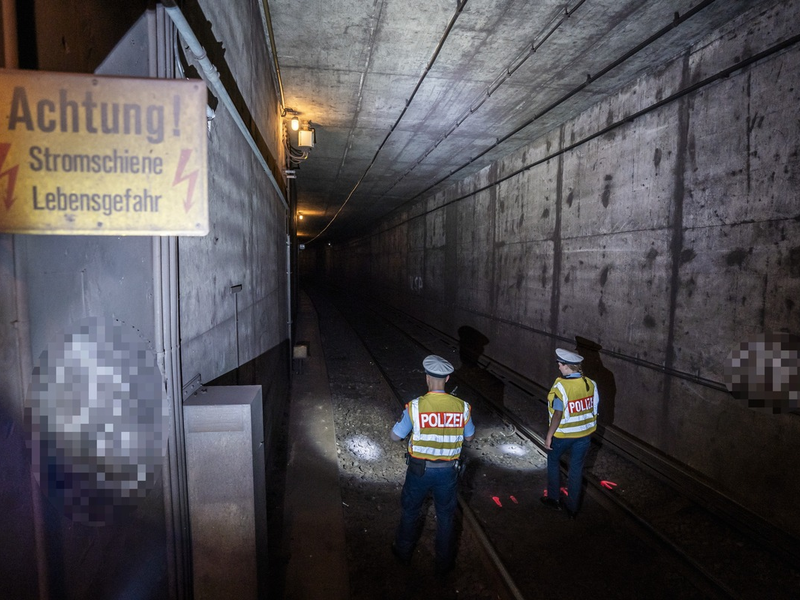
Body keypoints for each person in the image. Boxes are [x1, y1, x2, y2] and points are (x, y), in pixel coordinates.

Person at [390, 355, 475, 575]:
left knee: (410, 512)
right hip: (448, 473)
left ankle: (403, 552)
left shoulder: (415, 406)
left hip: (419, 470)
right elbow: (469, 437)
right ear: (447, 378)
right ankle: (444, 563)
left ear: (427, 377)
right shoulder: (463, 407)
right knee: (446, 517)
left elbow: (395, 436)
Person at [540, 348, 599, 518]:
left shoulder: (562, 386)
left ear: (567, 367)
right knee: (576, 469)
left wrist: (549, 435)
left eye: (560, 364)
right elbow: (593, 407)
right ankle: (572, 509)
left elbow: (558, 414)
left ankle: (554, 499)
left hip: (564, 435)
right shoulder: (590, 383)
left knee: (553, 460)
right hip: (584, 435)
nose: (559, 367)